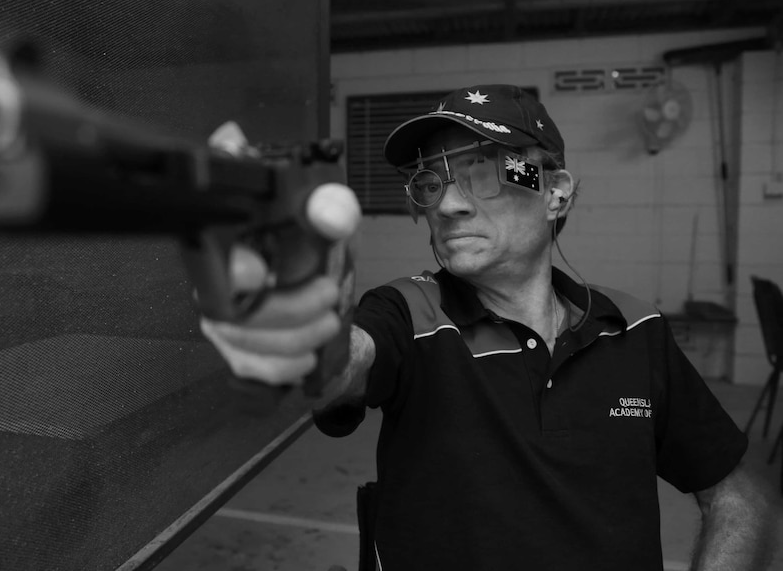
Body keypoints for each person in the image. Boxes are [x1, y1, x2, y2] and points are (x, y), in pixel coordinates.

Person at [201, 85, 777, 570]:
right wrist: (300, 320)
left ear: (553, 192)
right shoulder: (408, 313)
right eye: (429, 182)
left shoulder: (632, 328)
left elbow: (737, 489)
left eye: (482, 171)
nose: (447, 204)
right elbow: (341, 366)